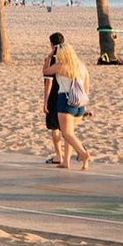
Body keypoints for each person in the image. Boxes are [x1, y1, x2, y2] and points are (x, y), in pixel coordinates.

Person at [42, 41, 92, 170]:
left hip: (65, 99)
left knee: (67, 133)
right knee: (70, 133)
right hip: (80, 101)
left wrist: (49, 56)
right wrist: (85, 102)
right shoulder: (81, 66)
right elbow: (87, 85)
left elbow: (46, 72)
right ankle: (66, 161)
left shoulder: (61, 66)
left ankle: (83, 154)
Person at [42, 32, 65, 165]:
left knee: (55, 127)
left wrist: (45, 101)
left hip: (54, 96)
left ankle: (58, 156)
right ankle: (73, 152)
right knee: (66, 128)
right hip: (67, 94)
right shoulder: (68, 58)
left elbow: (48, 81)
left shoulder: (51, 59)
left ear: (51, 44)